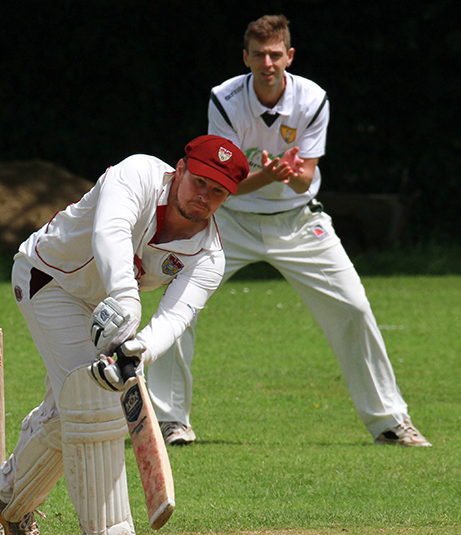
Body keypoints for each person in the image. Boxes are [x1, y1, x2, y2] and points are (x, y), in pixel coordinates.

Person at [147, 15, 430, 448]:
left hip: (299, 220)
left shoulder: (313, 98)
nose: (267, 62)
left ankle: (390, 422)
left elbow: (305, 179)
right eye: (258, 54)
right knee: (178, 305)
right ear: (246, 57)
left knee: (353, 307)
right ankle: (169, 422)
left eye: (275, 54)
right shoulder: (224, 99)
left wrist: (290, 176)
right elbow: (224, 185)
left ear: (289, 56)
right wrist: (270, 174)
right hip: (233, 221)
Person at [0, 135, 249, 535]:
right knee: (99, 406)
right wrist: (126, 302)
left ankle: (8, 495)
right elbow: (111, 232)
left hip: (109, 312)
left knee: (75, 410)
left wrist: (136, 352)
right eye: (198, 181)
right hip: (51, 282)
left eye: (217, 191)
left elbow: (173, 321)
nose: (203, 196)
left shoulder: (210, 257)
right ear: (179, 169)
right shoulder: (139, 172)